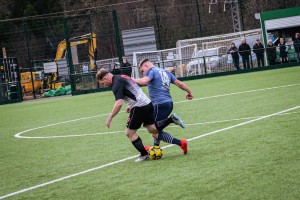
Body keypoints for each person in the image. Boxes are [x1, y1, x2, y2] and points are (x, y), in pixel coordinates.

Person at [96, 68, 187, 162]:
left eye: (102, 83)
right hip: (147, 103)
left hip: (138, 106)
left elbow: (118, 104)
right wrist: (130, 105)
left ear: (105, 78)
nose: (104, 85)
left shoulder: (116, 83)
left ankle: (144, 155)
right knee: (152, 129)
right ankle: (171, 119)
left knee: (129, 133)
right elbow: (133, 91)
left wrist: (110, 117)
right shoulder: (123, 76)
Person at [134, 59, 193, 147]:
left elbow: (144, 81)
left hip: (159, 104)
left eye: (142, 71)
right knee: (157, 131)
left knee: (151, 128)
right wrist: (189, 92)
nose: (143, 73)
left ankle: (171, 120)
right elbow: (179, 83)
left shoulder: (151, 71)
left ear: (146, 66)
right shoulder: (166, 72)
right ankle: (178, 144)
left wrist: (130, 80)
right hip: (169, 103)